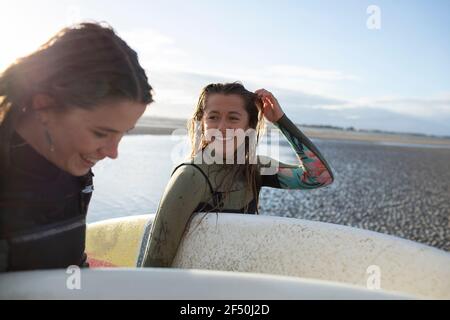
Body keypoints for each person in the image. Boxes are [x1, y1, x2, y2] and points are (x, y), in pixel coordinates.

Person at [0, 22, 153, 272]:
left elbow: (71, 265)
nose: (113, 153)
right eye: (100, 133)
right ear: (43, 106)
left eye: (122, 134)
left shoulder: (75, 169)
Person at [139, 82, 334, 268]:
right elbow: (155, 262)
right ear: (202, 123)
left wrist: (280, 120)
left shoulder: (254, 168)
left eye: (233, 118)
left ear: (249, 126)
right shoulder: (190, 176)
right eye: (213, 117)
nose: (222, 127)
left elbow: (320, 176)